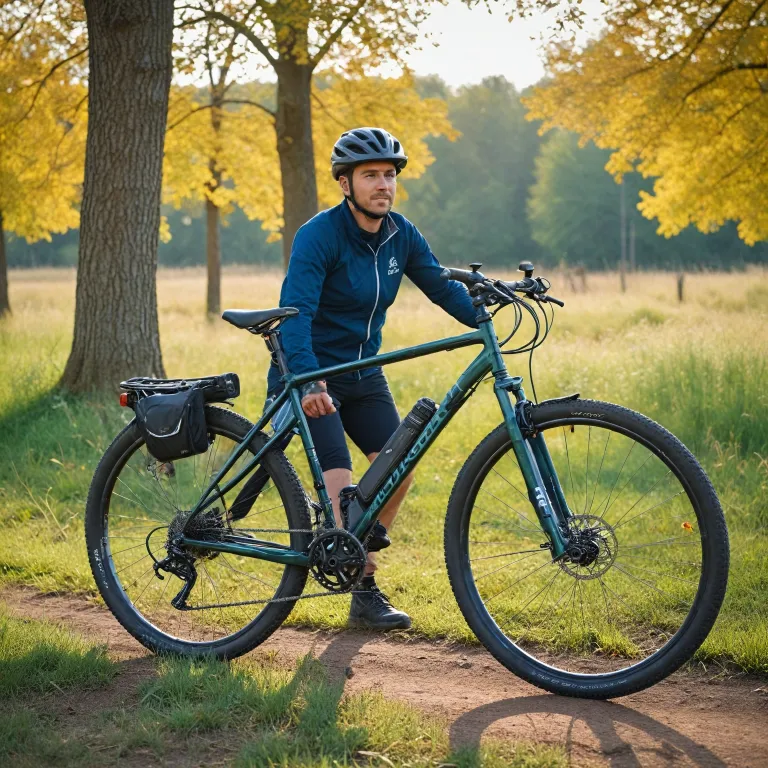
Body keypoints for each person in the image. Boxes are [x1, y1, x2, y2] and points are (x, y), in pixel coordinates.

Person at [267, 127, 477, 630]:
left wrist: (489, 314)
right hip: (313, 374)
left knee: (398, 468)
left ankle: (349, 546)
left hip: (362, 375)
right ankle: (361, 585)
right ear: (346, 183)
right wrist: (309, 380)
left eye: (388, 175)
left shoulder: (401, 234)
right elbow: (294, 313)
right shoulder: (320, 235)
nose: (383, 185)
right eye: (370, 176)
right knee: (344, 490)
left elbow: (441, 287)